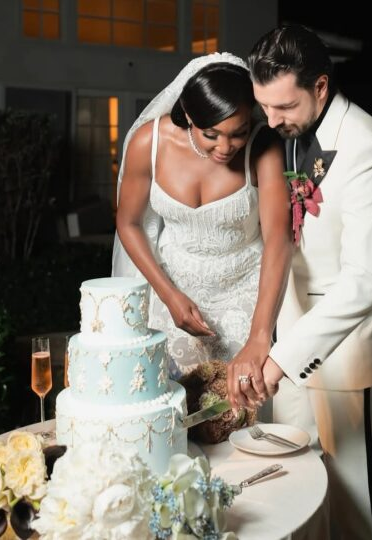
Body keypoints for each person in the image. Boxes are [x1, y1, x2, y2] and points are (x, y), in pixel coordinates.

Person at [228, 25, 372, 540]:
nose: (271, 120)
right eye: (264, 106)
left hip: (345, 350)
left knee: (354, 497)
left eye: (283, 106)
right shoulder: (279, 133)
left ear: (321, 86)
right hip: (287, 335)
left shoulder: (369, 147)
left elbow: (366, 279)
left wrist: (283, 357)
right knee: (294, 485)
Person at [112, 52, 292, 379]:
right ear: (188, 116)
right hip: (172, 292)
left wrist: (259, 335)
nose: (225, 147)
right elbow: (128, 223)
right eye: (211, 134)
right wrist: (168, 295)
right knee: (173, 399)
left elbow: (278, 238)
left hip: (247, 295)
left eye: (238, 132)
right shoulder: (149, 143)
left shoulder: (263, 146)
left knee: (242, 402)